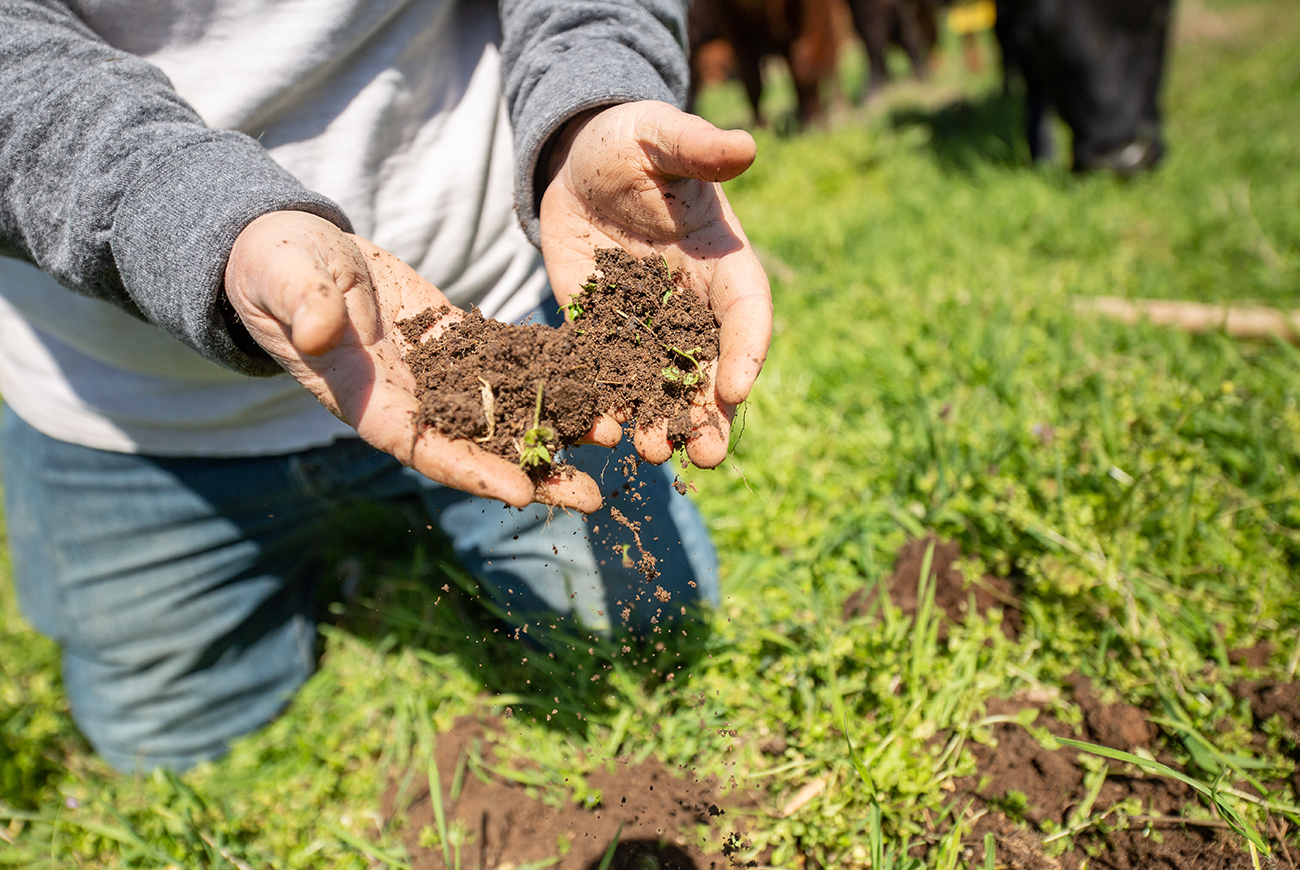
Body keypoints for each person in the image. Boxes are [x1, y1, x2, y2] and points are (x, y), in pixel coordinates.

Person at [0, 0, 773, 772]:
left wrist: (589, 98)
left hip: (482, 314)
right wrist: (212, 220)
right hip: (130, 404)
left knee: (639, 638)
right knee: (166, 755)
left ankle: (400, 527)